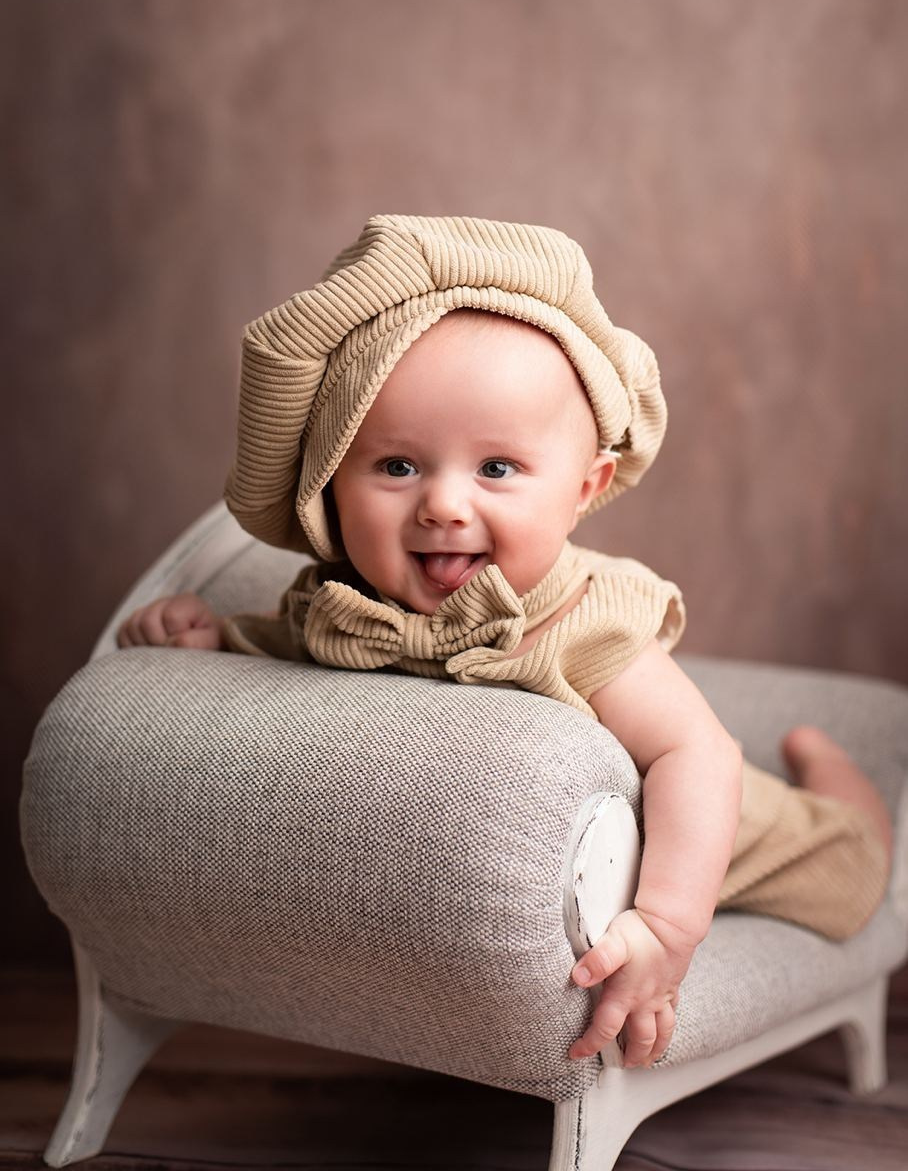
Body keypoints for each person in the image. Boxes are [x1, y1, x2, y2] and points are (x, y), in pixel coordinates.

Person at [117, 214, 893, 1071]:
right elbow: (286, 663)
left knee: (846, 870)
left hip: (736, 834)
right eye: (398, 466)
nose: (444, 505)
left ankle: (844, 791)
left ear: (583, 489)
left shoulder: (584, 623)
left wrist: (668, 924)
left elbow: (696, 754)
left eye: (496, 469)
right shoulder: (341, 606)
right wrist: (205, 643)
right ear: (330, 487)